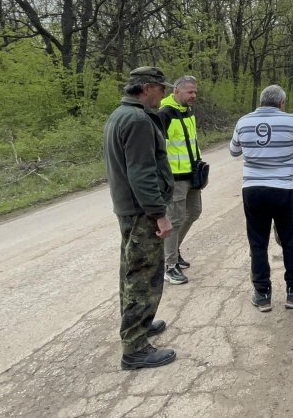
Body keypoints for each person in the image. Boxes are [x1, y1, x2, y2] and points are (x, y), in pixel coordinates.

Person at [102, 66, 177, 370]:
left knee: (132, 271)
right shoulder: (137, 120)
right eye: (161, 88)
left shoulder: (120, 115)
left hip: (129, 209)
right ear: (146, 88)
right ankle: (134, 348)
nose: (164, 93)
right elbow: (142, 172)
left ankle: (139, 325)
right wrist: (159, 215)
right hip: (142, 212)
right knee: (143, 276)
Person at [230, 84, 293, 312]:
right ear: (281, 103)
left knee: (258, 243)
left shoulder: (243, 121)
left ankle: (262, 294)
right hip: (281, 190)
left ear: (261, 101)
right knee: (290, 241)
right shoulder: (292, 121)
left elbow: (234, 152)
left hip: (253, 190)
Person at [158, 75, 203, 285]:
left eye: (195, 92)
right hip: (175, 178)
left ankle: (173, 250)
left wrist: (200, 167)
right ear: (176, 92)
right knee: (174, 221)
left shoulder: (188, 112)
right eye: (189, 92)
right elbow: (157, 150)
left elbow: (190, 143)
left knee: (194, 212)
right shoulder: (165, 113)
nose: (193, 95)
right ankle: (169, 266)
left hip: (192, 174)